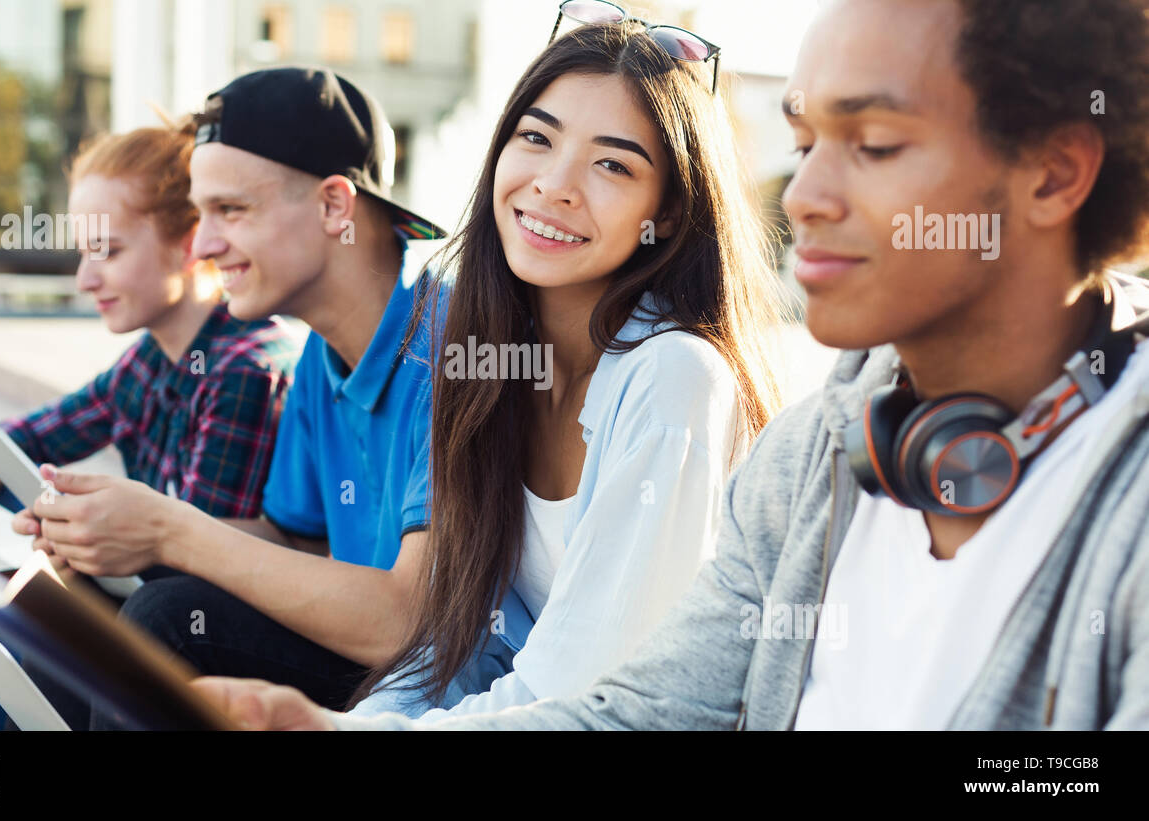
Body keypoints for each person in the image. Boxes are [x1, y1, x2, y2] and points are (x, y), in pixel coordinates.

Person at [191, 0, 1149, 731]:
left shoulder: (1126, 506)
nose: (804, 194)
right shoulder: (819, 454)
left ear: (1054, 174)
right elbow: (633, 710)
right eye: (808, 141)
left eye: (877, 144)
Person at [342, 14, 783, 721]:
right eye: (537, 138)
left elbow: (582, 693)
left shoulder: (673, 377)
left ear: (666, 213)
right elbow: (460, 644)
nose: (553, 185)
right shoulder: (490, 359)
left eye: (612, 164)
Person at [7, 67, 451, 726]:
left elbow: (404, 622)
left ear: (334, 206)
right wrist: (113, 529)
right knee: (67, 603)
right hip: (361, 649)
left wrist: (166, 529)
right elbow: (291, 539)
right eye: (200, 211)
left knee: (166, 619)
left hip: (430, 681)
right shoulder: (318, 361)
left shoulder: (450, 352)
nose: (205, 244)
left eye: (230, 210)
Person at [0, 121, 301, 730]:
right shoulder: (151, 360)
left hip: (204, 642)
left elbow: (195, 563)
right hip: (151, 603)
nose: (85, 280)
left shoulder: (243, 370)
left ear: (189, 242)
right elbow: (31, 435)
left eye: (108, 251)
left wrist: (68, 542)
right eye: (84, 253)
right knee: (12, 580)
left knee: (27, 611)